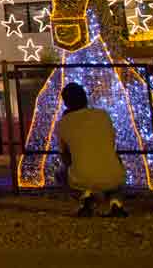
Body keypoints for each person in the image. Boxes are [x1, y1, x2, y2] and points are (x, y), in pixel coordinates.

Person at [57, 82, 127, 217]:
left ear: (66, 103)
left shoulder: (64, 123)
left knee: (60, 174)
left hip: (82, 176)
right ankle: (115, 202)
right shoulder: (103, 115)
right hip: (113, 174)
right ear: (85, 98)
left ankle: (85, 197)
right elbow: (112, 142)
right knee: (116, 166)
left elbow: (65, 156)